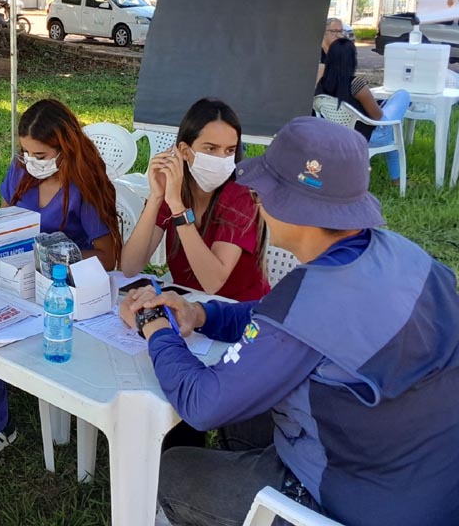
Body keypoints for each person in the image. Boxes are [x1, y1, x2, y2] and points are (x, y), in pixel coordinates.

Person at [120, 116, 459, 526]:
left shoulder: (314, 301)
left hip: (355, 498)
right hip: (429, 477)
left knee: (173, 471)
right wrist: (201, 312)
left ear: (295, 207)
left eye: (264, 191)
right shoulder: (408, 257)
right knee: (248, 404)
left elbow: (202, 404)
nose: (257, 201)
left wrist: (155, 324)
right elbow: (282, 318)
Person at [0, 99, 123, 463]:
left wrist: (52, 259)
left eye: (41, 153)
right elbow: (4, 216)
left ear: (66, 148)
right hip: (13, 275)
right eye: (25, 151)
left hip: (60, 288)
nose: (31, 160)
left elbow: (108, 256)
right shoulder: (22, 172)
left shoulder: (85, 186)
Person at [121, 98, 269, 302]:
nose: (221, 159)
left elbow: (212, 282)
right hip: (191, 306)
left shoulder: (241, 196)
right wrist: (156, 198)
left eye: (229, 151)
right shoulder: (173, 189)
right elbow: (130, 266)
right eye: (211, 149)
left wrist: (177, 208)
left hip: (240, 312)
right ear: (184, 151)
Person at [316, 37, 410, 183]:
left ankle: (396, 178)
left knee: (392, 130)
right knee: (402, 96)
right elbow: (377, 117)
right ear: (352, 59)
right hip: (364, 137)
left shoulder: (321, 83)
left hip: (336, 135)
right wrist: (379, 107)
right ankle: (397, 179)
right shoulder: (356, 84)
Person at [316, 17, 344, 83]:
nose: (339, 35)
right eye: (334, 31)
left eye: (340, 31)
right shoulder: (316, 52)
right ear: (324, 32)